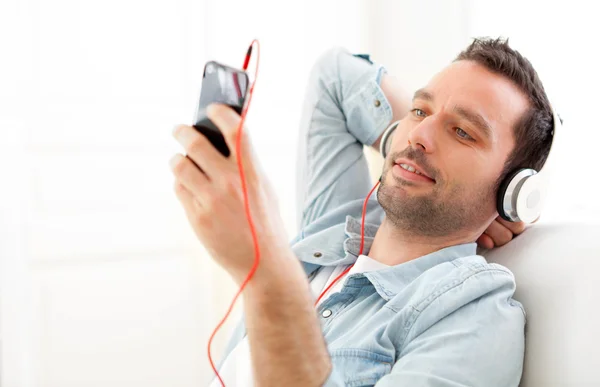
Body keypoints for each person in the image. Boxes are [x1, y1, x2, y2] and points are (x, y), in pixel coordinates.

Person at [169, 37, 555, 386]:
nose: (418, 135)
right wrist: (407, 153)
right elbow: (334, 75)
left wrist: (267, 270)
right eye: (419, 111)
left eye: (463, 132)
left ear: (512, 191)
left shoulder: (476, 319)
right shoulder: (339, 225)